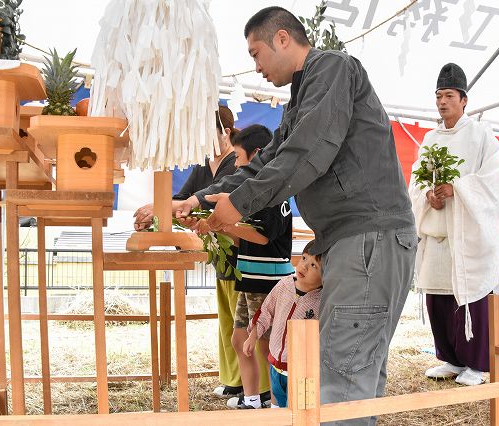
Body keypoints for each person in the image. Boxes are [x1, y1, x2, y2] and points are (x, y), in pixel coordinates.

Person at [175, 7, 417, 425]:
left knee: (344, 375)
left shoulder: (334, 69)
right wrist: (198, 200)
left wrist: (240, 203)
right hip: (352, 241)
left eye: (256, 53)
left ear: (282, 38)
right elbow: (267, 159)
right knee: (352, 370)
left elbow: (308, 149)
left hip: (367, 237)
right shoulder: (301, 96)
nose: (255, 66)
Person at [132, 105, 253, 399]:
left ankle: (247, 383)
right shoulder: (202, 166)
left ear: (225, 133)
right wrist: (157, 211)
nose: (204, 144)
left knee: (242, 321)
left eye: (208, 135)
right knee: (226, 318)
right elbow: (181, 199)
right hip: (218, 253)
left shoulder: (235, 166)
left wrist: (177, 207)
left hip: (239, 249)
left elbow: (209, 201)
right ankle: (231, 378)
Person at [409, 63, 499, 386]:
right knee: (439, 300)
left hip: (467, 235)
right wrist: (428, 195)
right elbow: (415, 179)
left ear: (464, 99)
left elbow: (493, 182)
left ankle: (478, 365)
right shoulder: (429, 139)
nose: (441, 102)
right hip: (438, 231)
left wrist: (457, 189)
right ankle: (450, 358)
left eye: (448, 95)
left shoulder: (482, 136)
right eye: (438, 96)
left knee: (469, 298)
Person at [194, 124, 294, 409]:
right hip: (248, 279)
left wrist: (225, 223)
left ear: (259, 155)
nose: (236, 165)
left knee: (264, 345)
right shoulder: (247, 196)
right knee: (241, 340)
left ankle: (276, 403)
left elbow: (263, 236)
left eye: (238, 158)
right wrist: (215, 228)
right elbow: (243, 241)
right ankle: (251, 399)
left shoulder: (275, 193)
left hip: (268, 283)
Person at [243, 239, 322, 408]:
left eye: (314, 265)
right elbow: (265, 312)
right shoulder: (284, 285)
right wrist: (253, 336)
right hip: (276, 367)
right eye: (304, 258)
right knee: (276, 408)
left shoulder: (322, 300)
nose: (305, 266)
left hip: (301, 371)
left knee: (297, 413)